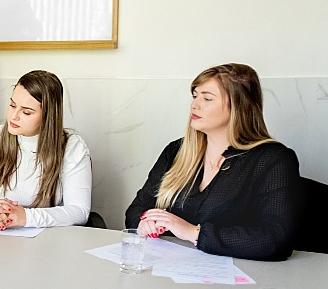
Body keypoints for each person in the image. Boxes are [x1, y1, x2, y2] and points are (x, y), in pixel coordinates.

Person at [125, 63, 301, 261]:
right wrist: (145, 223)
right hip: (168, 266)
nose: (194, 105)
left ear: (239, 105)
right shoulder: (175, 151)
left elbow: (276, 238)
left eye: (207, 98)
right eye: (195, 96)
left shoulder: (273, 159)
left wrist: (193, 233)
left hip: (240, 272)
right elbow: (137, 209)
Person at [0, 70, 92, 229]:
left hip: (49, 238)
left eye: (26, 112)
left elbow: (79, 211)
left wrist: (25, 217)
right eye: (12, 105)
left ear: (48, 116)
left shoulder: (72, 147)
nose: (14, 116)